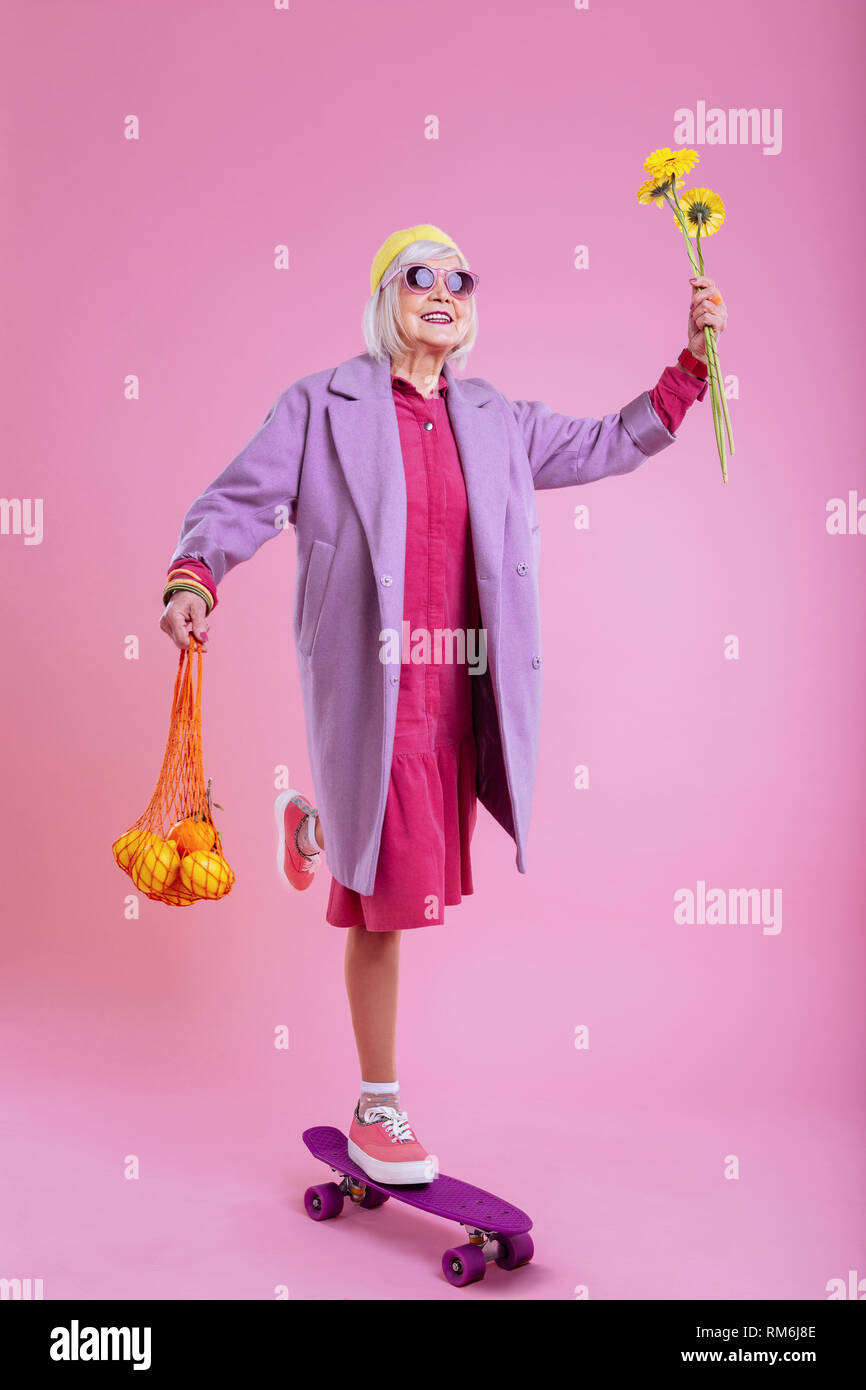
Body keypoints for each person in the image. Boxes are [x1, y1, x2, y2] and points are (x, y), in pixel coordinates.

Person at [159, 223, 727, 1185]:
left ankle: (314, 831)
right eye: (416, 275)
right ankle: (377, 1106)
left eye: (459, 278)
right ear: (386, 299)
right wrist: (194, 576)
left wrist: (689, 368)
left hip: (456, 692)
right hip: (370, 688)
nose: (441, 289)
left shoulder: (495, 418)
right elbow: (241, 497)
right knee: (381, 906)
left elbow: (601, 445)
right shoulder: (320, 406)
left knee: (402, 870)